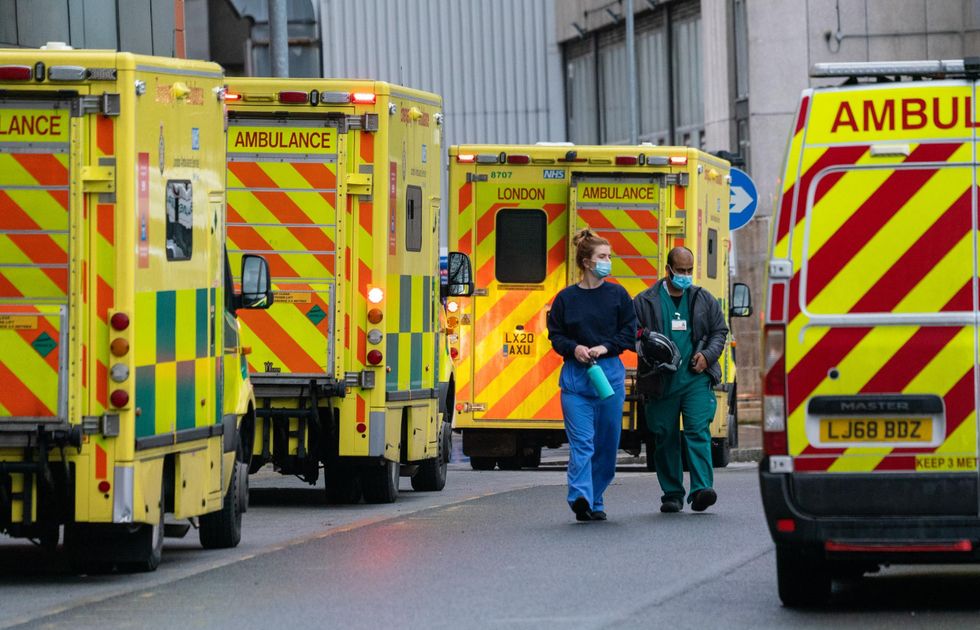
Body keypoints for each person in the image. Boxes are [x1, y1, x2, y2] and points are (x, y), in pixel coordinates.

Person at [547, 229, 637, 522]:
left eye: (608, 257)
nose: (607, 262)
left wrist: (605, 346)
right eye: (602, 257)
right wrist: (574, 349)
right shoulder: (565, 299)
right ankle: (580, 497)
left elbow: (629, 331)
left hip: (608, 375)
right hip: (576, 380)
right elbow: (556, 335)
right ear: (586, 262)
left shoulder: (618, 295)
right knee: (582, 443)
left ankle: (595, 498)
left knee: (607, 446)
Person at [634, 246, 728, 513]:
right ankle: (672, 493)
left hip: (695, 378)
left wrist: (707, 356)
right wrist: (650, 346)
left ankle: (701, 490)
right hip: (662, 380)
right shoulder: (645, 301)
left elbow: (719, 331)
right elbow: (632, 334)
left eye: (690, 271)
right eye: (681, 271)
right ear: (668, 270)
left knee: (698, 430)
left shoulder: (703, 299)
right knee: (665, 435)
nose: (686, 276)